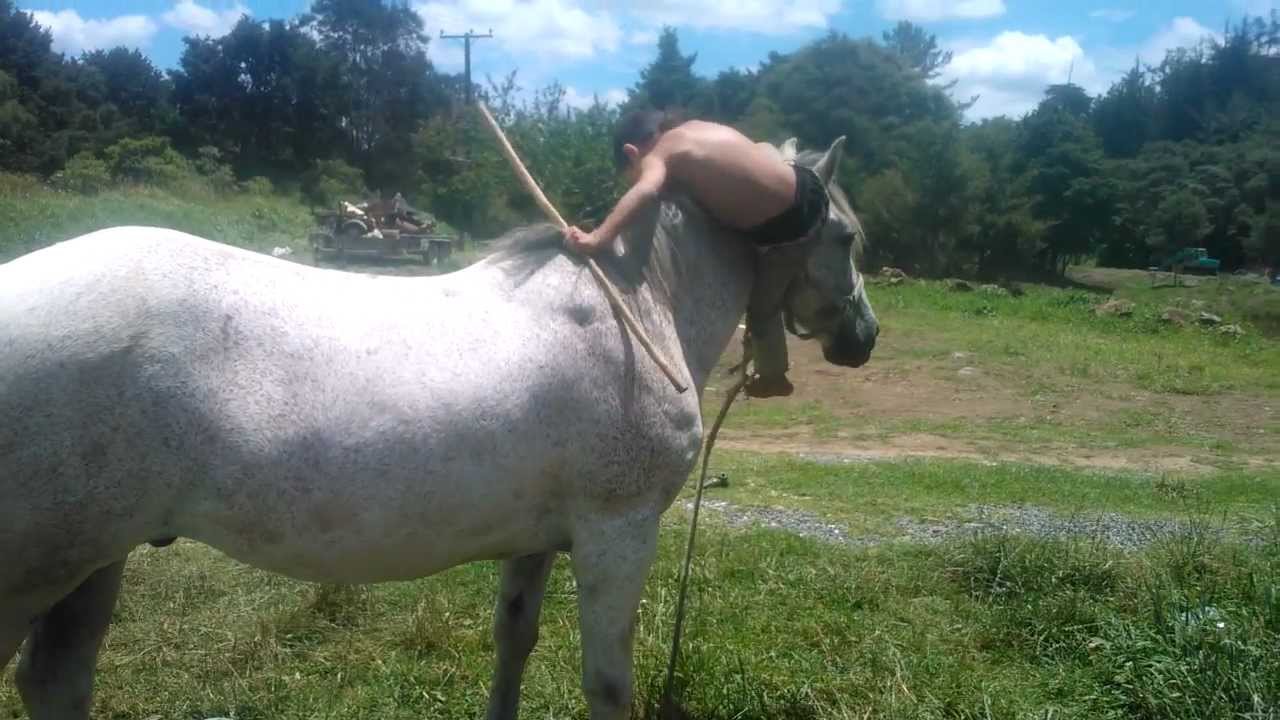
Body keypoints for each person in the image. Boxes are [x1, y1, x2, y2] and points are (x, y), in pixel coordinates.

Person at [563, 109, 830, 398]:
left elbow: (646, 191)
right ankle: (785, 160)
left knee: (762, 308)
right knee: (761, 148)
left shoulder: (658, 155)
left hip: (792, 225)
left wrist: (597, 238)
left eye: (633, 175)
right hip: (809, 185)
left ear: (632, 152)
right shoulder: (695, 129)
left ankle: (774, 376)